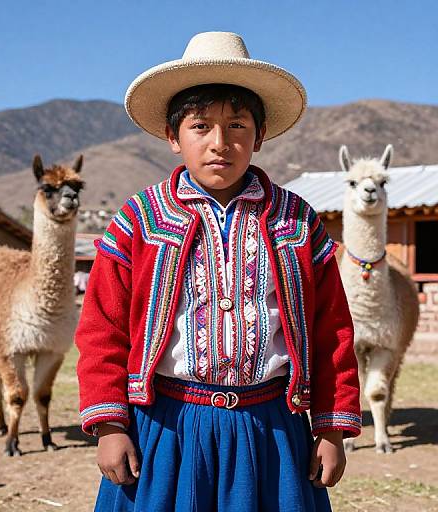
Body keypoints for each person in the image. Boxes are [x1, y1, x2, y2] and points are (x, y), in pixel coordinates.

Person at [75, 31, 361, 512]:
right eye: (200, 126)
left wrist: (331, 428)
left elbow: (331, 329)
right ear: (172, 136)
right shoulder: (140, 220)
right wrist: (109, 425)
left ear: (260, 134)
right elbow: (103, 326)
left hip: (271, 427)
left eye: (237, 126)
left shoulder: (296, 223)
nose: (219, 144)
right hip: (166, 427)